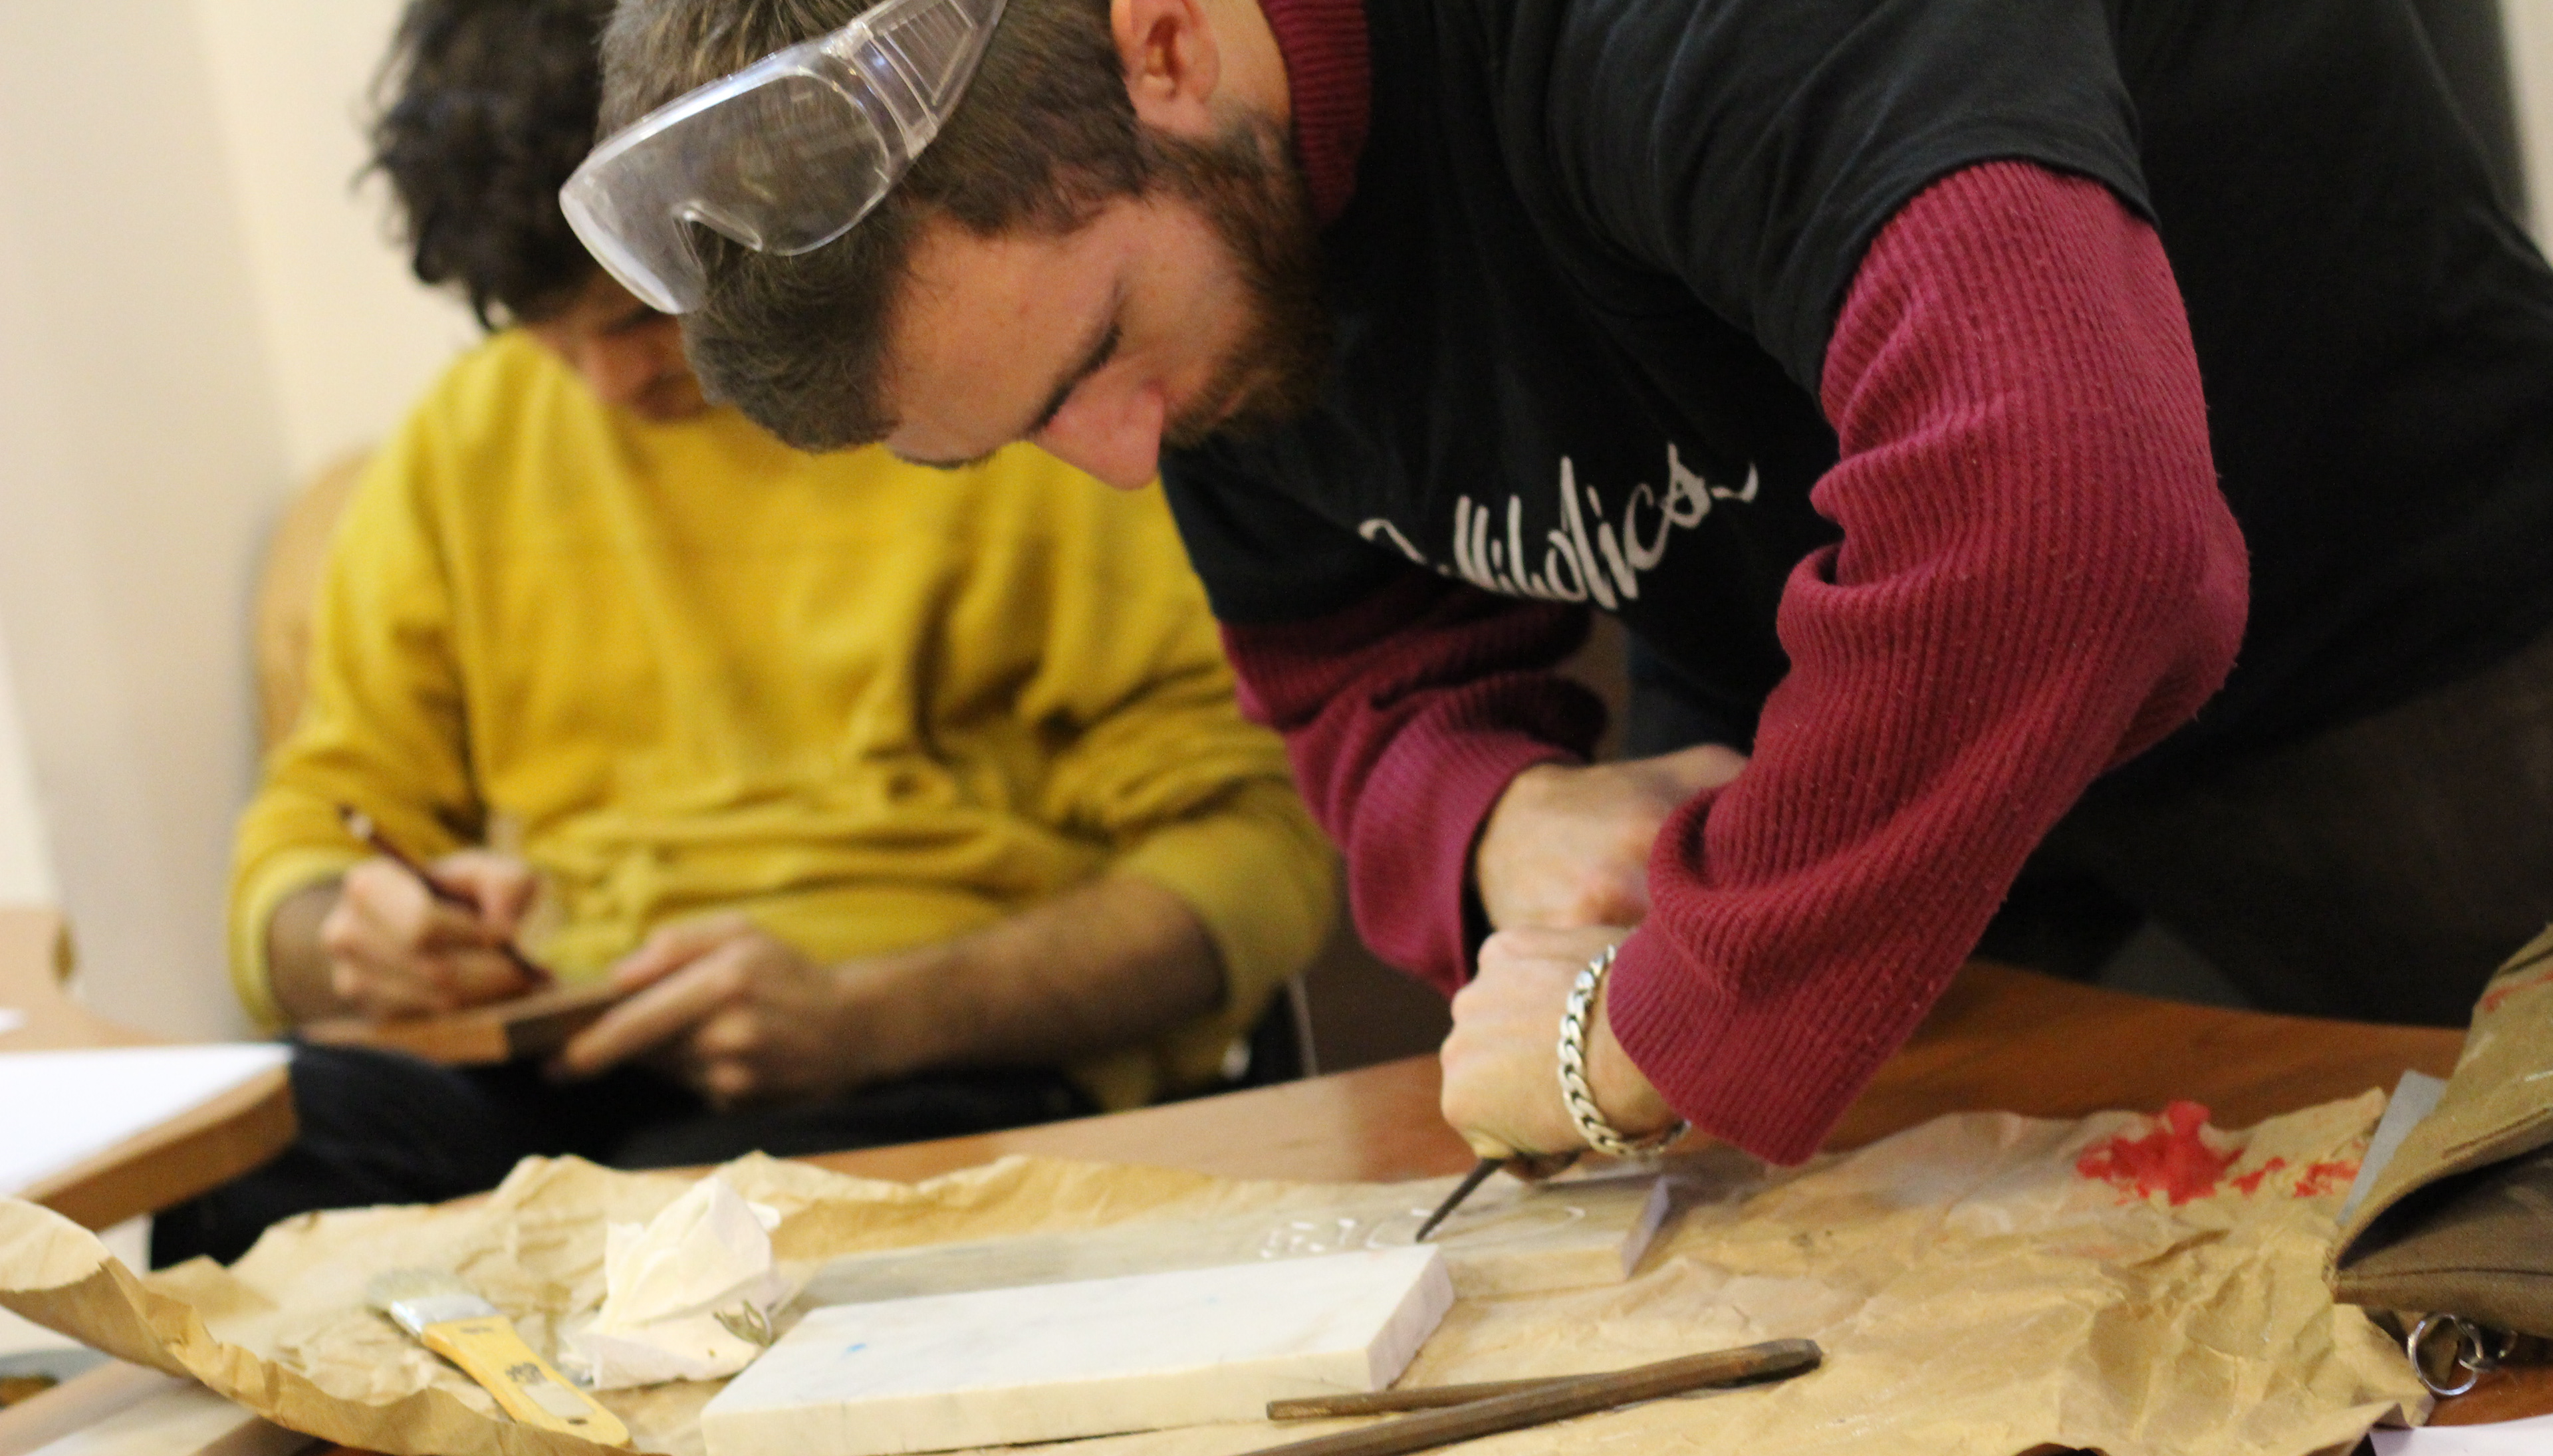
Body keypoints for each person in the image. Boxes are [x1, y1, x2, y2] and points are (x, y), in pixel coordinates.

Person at [584, 0, 2553, 1177]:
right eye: (1016, 434)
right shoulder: (1155, 228)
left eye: (1098, 354)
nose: (1119, 455)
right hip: (1817, 716)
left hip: (2383, 640)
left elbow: (2072, 523)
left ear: (1164, 40)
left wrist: (1673, 1019)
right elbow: (1344, 658)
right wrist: (1499, 816)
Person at [150, 0, 1334, 1268]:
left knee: (706, 1245)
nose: (606, 386)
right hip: (573, 1073)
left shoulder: (1005, 381)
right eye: (542, 337)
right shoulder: (467, 444)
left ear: (779, 193)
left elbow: (1257, 849)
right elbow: (311, 829)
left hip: (933, 1064)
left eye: (636, 312)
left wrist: (876, 1016)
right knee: (242, 1168)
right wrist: (353, 935)